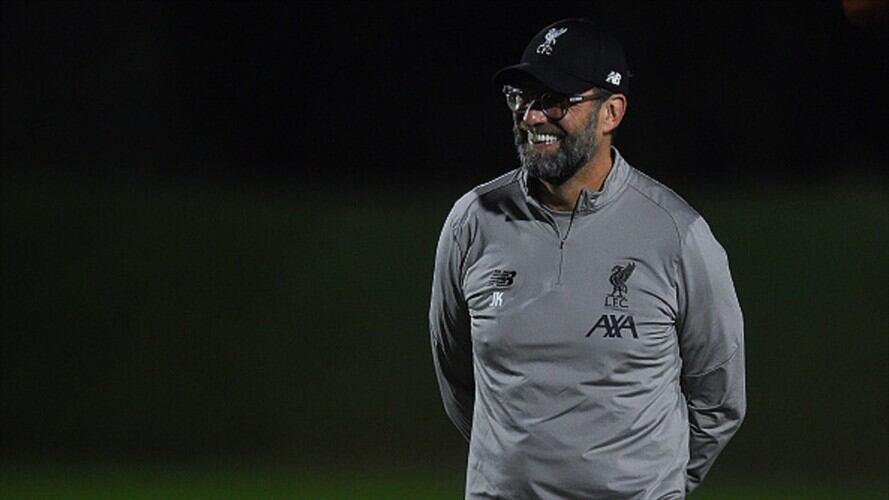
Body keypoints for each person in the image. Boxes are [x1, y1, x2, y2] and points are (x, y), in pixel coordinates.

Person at [429, 18, 746, 499]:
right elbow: (455, 373)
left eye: (555, 101)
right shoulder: (472, 221)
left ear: (611, 112)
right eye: (521, 97)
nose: (533, 117)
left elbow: (719, 398)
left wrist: (655, 485)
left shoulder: (677, 234)